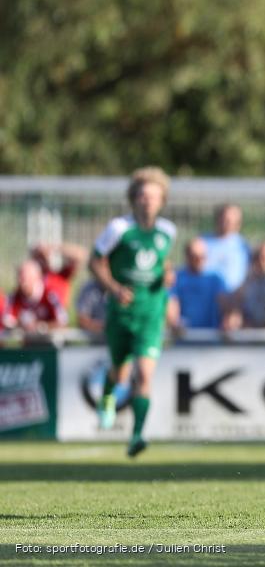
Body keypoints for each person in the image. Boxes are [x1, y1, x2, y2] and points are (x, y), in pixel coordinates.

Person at [89, 166, 176, 458]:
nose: (147, 201)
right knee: (121, 373)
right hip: (121, 313)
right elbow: (95, 261)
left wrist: (167, 276)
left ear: (162, 200)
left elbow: (162, 264)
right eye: (142, 195)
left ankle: (137, 435)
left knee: (144, 375)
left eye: (154, 196)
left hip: (151, 313)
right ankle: (107, 394)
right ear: (133, 199)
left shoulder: (167, 232)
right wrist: (113, 287)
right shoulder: (118, 229)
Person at [167, 237, 228, 330]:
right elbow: (172, 303)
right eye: (195, 257)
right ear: (187, 256)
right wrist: (175, 322)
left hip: (210, 337)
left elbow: (224, 303)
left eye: (203, 256)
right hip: (184, 338)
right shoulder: (177, 278)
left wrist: (227, 321)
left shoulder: (216, 279)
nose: (199, 260)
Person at [1, 259, 68, 333]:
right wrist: (21, 325)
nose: (21, 281)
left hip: (49, 342)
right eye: (19, 277)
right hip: (28, 343)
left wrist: (41, 326)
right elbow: (7, 320)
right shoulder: (15, 297)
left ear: (37, 277)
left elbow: (62, 321)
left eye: (24, 277)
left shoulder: (50, 294)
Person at [203, 203, 251, 293]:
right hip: (207, 294)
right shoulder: (203, 242)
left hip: (234, 297)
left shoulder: (243, 246)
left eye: (231, 221)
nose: (227, 223)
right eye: (224, 219)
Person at [30, 242, 88, 308]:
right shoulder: (28, 280)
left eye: (42, 256)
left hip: (56, 316)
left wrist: (53, 247)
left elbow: (80, 255)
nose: (41, 259)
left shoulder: (59, 277)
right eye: (37, 256)